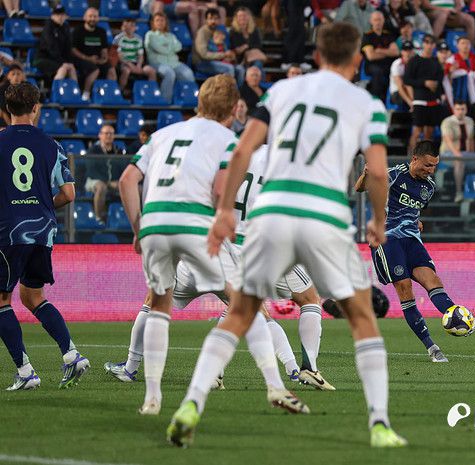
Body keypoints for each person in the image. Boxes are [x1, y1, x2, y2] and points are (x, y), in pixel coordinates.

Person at [167, 22, 408, 449]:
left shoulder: (281, 91)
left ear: (316, 56)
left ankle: (191, 403)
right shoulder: (366, 103)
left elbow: (241, 150)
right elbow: (375, 171)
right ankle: (380, 424)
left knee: (240, 313)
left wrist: (223, 213)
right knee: (362, 318)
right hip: (324, 213)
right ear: (357, 60)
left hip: (272, 213)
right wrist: (377, 218)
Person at [119, 75, 306, 415]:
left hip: (155, 224)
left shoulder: (162, 134)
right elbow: (221, 189)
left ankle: (152, 398)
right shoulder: (228, 140)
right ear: (234, 109)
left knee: (158, 306)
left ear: (199, 102)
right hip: (195, 224)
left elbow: (127, 179)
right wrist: (223, 217)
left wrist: (137, 228)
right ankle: (276, 386)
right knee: (245, 304)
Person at [107, 144, 334, 391]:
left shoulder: (226, 153)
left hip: (211, 249)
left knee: (155, 300)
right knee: (286, 304)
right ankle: (301, 369)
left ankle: (131, 368)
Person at [356, 140, 475, 360]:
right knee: (405, 288)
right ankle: (432, 348)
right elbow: (360, 188)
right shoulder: (394, 175)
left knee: (434, 281)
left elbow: (413, 209)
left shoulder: (428, 187)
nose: (431, 170)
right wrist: (366, 174)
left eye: (434, 166)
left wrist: (416, 221)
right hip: (387, 240)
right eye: (428, 165)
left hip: (412, 240)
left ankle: (465, 319)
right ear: (415, 159)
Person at [0, 82, 89, 391]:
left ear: (7, 110)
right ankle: (72, 355)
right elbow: (69, 193)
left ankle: (25, 372)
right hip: (42, 230)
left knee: (2, 300)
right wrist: (39, 206)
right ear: (36, 109)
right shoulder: (52, 145)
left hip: (8, 231)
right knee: (32, 296)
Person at [403, 34, 444, 150]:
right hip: (419, 100)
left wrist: (436, 85)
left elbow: (440, 79)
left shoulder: (436, 62)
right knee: (417, 131)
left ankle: (426, 158)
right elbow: (406, 80)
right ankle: (411, 157)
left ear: (434, 45)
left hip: (433, 101)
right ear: (423, 44)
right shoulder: (414, 61)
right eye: (427, 42)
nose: (429, 45)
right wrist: (424, 83)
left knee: (429, 133)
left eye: (431, 43)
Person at [145, 12, 195, 103]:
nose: (160, 22)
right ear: (153, 23)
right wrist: (170, 48)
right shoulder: (150, 35)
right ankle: (165, 102)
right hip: (157, 64)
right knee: (169, 73)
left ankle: (188, 100)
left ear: (165, 22)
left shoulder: (171, 36)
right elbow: (160, 49)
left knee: (188, 74)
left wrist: (166, 47)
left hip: (174, 63)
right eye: (157, 20)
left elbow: (179, 47)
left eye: (162, 20)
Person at [72, 7, 117, 101]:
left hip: (97, 59)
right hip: (82, 59)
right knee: (95, 70)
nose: (92, 19)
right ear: (85, 17)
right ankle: (86, 94)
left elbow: (104, 49)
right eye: (90, 16)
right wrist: (87, 58)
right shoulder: (77, 30)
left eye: (95, 16)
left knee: (111, 70)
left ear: (98, 18)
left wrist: (104, 58)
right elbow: (73, 50)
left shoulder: (101, 31)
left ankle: (110, 95)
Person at [85, 124, 127, 222]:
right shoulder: (93, 150)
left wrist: (119, 181)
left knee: (130, 186)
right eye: (106, 133)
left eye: (111, 133)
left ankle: (127, 219)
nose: (108, 136)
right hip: (94, 180)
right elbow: (91, 171)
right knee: (101, 187)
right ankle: (98, 219)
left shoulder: (119, 151)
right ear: (100, 135)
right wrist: (108, 182)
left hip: (114, 181)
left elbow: (123, 169)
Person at [439, 100, 475, 202]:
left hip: (466, 154)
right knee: (459, 161)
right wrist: (457, 154)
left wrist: (472, 154)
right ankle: (459, 193)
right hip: (448, 154)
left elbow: (471, 139)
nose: (460, 111)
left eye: (462, 109)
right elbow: (447, 140)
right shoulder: (447, 122)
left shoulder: (470, 121)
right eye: (458, 109)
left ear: (466, 110)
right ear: (454, 110)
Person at [194, 9, 245, 86]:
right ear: (206, 20)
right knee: (229, 68)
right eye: (210, 19)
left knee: (240, 69)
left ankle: (238, 92)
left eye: (216, 19)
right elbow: (203, 55)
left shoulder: (220, 30)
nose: (213, 21)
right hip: (203, 63)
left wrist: (229, 56)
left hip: (220, 60)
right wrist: (223, 55)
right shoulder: (202, 32)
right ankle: (228, 92)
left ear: (219, 20)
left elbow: (225, 48)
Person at [34, 4, 77, 84]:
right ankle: (56, 90)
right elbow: (51, 47)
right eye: (57, 15)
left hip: (57, 59)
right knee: (63, 68)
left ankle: (75, 90)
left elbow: (68, 47)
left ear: (65, 16)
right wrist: (62, 62)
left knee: (71, 68)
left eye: (62, 15)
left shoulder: (66, 27)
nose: (60, 17)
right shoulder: (48, 27)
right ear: (52, 16)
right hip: (43, 58)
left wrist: (69, 62)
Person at [361, 11, 400, 100]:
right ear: (371, 21)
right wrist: (388, 53)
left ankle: (395, 98)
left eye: (379, 20)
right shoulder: (367, 36)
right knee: (378, 71)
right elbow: (371, 56)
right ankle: (376, 99)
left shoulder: (388, 35)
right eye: (375, 20)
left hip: (388, 64)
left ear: (383, 21)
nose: (378, 22)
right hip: (372, 65)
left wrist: (379, 51)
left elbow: (396, 52)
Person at [113, 19, 157, 93]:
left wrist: (139, 66)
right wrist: (131, 65)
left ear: (135, 28)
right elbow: (119, 56)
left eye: (132, 26)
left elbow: (141, 55)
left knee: (151, 71)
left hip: (136, 63)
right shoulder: (118, 38)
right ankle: (120, 91)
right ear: (123, 27)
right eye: (127, 26)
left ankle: (151, 92)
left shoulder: (138, 38)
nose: (129, 28)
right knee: (126, 71)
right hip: (124, 63)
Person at [389, 40, 414, 107]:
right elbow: (400, 87)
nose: (408, 53)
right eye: (406, 50)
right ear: (402, 52)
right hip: (397, 92)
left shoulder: (415, 63)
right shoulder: (396, 64)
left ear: (413, 52)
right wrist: (410, 102)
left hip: (411, 90)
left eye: (410, 50)